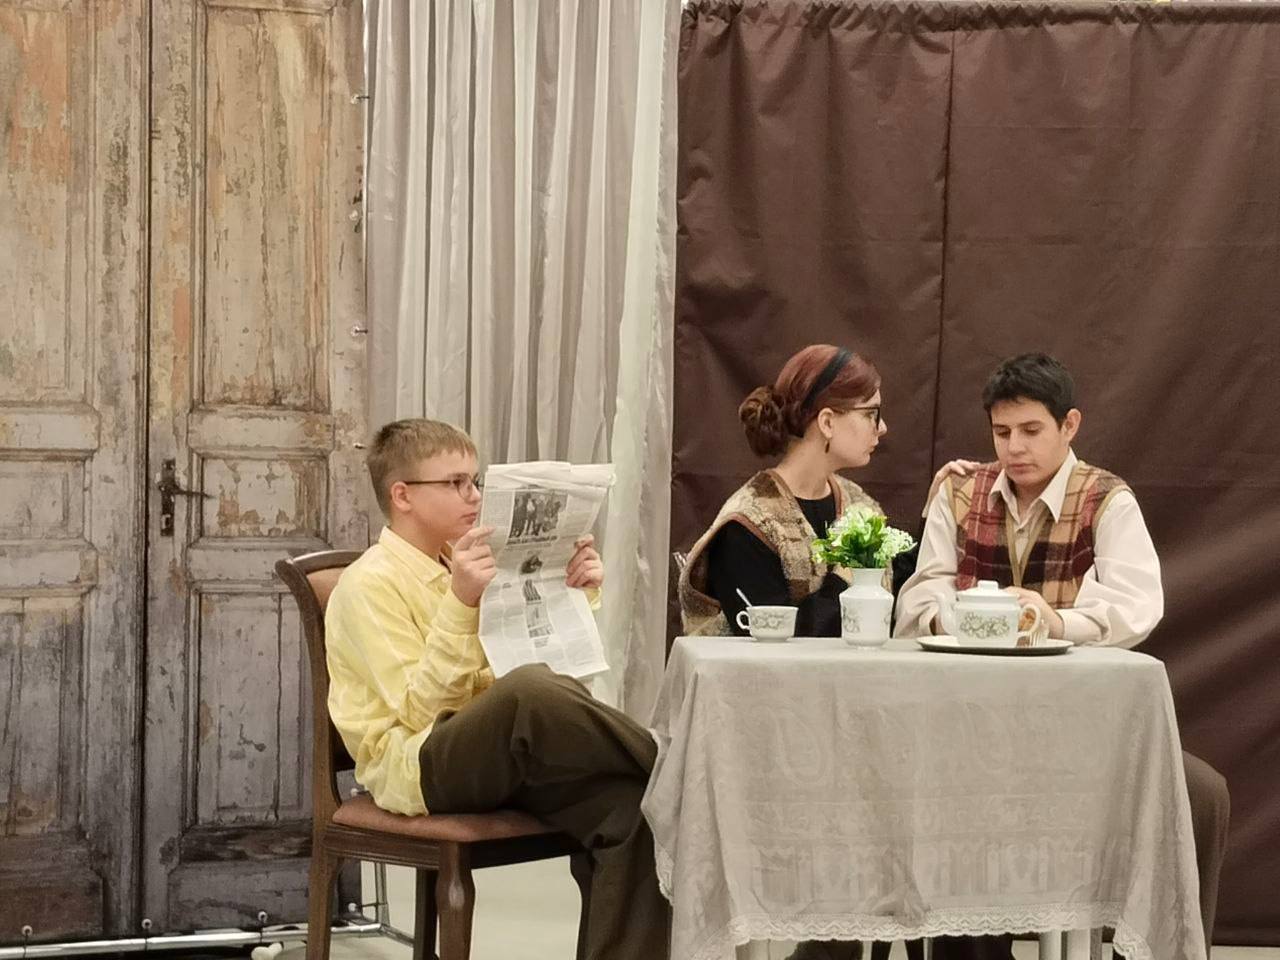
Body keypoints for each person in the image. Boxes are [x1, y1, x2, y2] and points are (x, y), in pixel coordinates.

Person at [895, 353, 1230, 959]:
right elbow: (919, 598)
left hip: (1083, 728)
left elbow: (1137, 605)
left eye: (1031, 430)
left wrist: (1056, 621)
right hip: (966, 725)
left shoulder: (1107, 499)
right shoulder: (959, 492)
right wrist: (968, 615)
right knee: (960, 803)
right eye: (1002, 432)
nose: (1014, 448)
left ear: (1069, 425)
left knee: (1202, 794)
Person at [325, 418, 670, 960]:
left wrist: (573, 595)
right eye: (455, 482)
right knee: (528, 692)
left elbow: (547, 672)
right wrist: (461, 603)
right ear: (403, 496)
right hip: (416, 764)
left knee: (631, 812)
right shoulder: (369, 585)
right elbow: (419, 713)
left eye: (475, 480)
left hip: (501, 752)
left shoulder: (465, 565)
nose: (474, 496)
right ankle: (671, 767)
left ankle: (662, 780)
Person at [678, 343, 956, 960]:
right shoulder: (747, 524)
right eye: (871, 414)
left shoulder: (858, 508)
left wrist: (939, 514)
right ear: (827, 421)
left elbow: (904, 585)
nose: (883, 428)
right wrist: (851, 583)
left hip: (857, 730)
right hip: (768, 747)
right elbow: (773, 649)